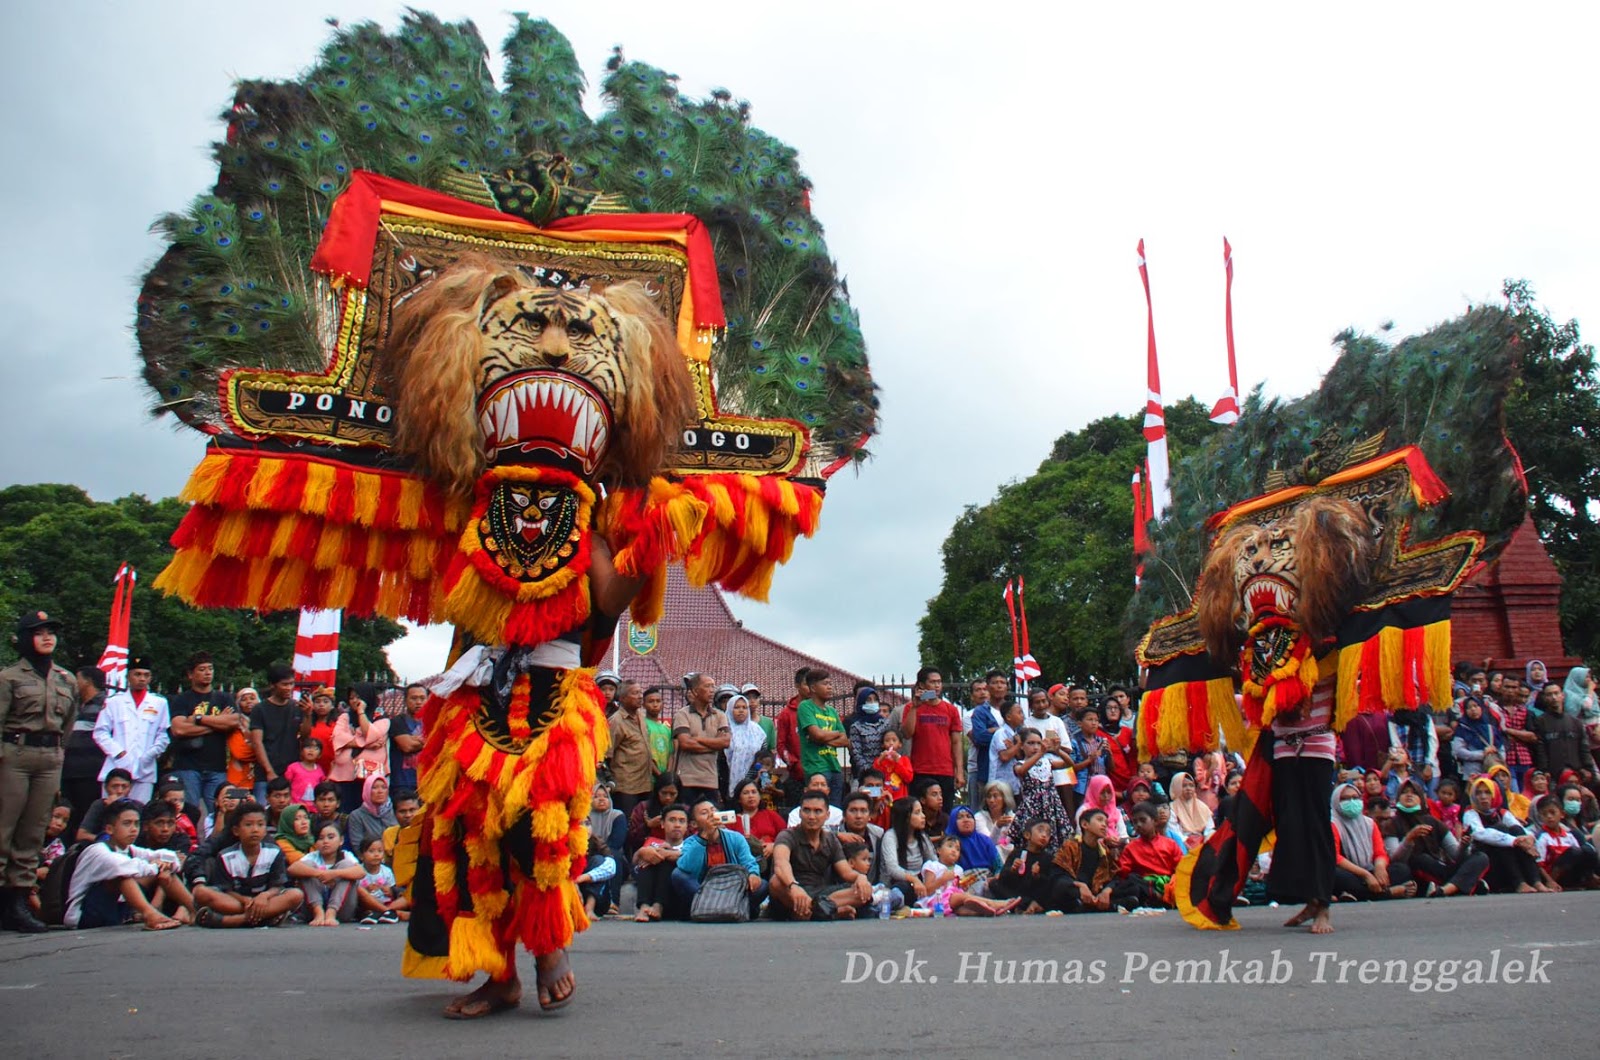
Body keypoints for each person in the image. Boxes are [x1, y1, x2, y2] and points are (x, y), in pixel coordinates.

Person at [0, 609, 80, 934]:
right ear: (24, 638)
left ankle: (17, 901)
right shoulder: (9, 677)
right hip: (14, 753)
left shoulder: (66, 679)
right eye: (39, 632)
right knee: (4, 826)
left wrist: (58, 755)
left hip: (49, 756)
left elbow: (69, 724)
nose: (47, 637)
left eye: (51, 632)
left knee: (34, 832)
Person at [63, 799, 193, 930]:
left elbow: (169, 857)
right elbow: (121, 866)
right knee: (123, 876)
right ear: (109, 829)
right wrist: (156, 866)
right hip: (82, 915)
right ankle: (151, 915)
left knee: (165, 871)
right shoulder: (97, 850)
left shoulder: (129, 848)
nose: (133, 829)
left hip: (115, 910)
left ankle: (194, 910)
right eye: (127, 824)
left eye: (136, 824)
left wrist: (164, 866)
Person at [192, 800, 305, 928]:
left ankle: (232, 921)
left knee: (296, 895)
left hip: (265, 901)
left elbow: (277, 886)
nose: (255, 830)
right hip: (237, 902)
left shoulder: (274, 852)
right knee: (201, 893)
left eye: (260, 825)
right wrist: (245, 900)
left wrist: (264, 896)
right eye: (248, 825)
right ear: (236, 830)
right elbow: (226, 889)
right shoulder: (225, 856)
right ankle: (264, 918)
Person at [769, 792, 872, 920]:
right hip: (791, 894)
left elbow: (846, 873)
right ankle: (829, 911)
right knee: (776, 882)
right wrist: (793, 886)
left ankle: (812, 913)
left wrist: (860, 878)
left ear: (827, 815)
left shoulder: (830, 839)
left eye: (817, 811)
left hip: (821, 893)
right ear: (800, 813)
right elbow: (781, 864)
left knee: (862, 891)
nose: (811, 816)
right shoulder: (787, 836)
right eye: (807, 811)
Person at [1382, 778, 1488, 896]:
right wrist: (1409, 839)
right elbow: (1394, 859)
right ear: (1398, 797)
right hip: (1416, 873)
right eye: (1404, 792)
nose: (1409, 795)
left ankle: (1446, 889)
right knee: (1421, 859)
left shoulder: (1432, 821)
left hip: (1441, 869)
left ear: (1421, 798)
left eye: (1414, 793)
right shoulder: (1392, 823)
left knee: (1481, 857)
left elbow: (1454, 854)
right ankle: (1468, 883)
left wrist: (1463, 846)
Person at [167, 652, 239, 813]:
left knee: (221, 809)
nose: (207, 673)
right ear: (190, 674)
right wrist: (217, 721)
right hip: (188, 766)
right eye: (202, 669)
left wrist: (198, 718)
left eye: (210, 669)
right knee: (190, 810)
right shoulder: (182, 699)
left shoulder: (224, 698)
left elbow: (233, 722)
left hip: (217, 766)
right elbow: (179, 729)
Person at [672, 797, 766, 919]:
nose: (712, 815)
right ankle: (732, 909)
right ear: (694, 824)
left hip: (734, 889)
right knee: (678, 875)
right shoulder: (690, 842)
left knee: (763, 885)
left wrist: (753, 874)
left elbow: (748, 861)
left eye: (713, 810)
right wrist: (704, 837)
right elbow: (686, 867)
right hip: (705, 892)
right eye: (704, 813)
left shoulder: (736, 837)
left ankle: (722, 909)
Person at [93, 655, 169, 803]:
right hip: (116, 766)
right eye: (137, 674)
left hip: (144, 768)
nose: (142, 679)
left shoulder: (159, 703)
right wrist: (119, 753)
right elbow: (100, 732)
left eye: (146, 675)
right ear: (128, 676)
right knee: (112, 812)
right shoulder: (114, 702)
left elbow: (163, 735)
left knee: (139, 812)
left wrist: (150, 754)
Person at [1462, 776, 1549, 893]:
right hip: (1486, 862)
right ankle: (1519, 882)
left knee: (1517, 830)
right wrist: (1515, 841)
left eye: (1487, 792)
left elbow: (1521, 829)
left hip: (1506, 861)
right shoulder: (1470, 813)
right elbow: (1480, 833)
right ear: (1473, 796)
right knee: (1501, 829)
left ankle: (1536, 881)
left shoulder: (1502, 813)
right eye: (1478, 793)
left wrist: (1528, 838)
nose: (1483, 796)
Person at [1330, 783, 1415, 899]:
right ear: (1336, 801)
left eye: (1355, 798)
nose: (1352, 801)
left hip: (1370, 869)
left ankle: (1361, 894)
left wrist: (1380, 868)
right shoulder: (1332, 824)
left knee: (1401, 869)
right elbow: (1336, 858)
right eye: (1345, 799)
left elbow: (1379, 852)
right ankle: (1388, 893)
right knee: (1335, 875)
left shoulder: (1369, 823)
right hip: (1350, 872)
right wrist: (1365, 875)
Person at [900, 667, 963, 811]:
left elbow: (956, 741)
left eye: (939, 682)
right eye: (932, 682)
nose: (937, 685)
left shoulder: (950, 709)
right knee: (919, 810)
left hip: (945, 770)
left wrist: (959, 771)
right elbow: (907, 733)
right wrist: (915, 708)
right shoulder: (911, 708)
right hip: (920, 769)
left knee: (944, 811)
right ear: (922, 685)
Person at [62, 666, 108, 840]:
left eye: (78, 678)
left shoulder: (106, 705)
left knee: (83, 815)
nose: (75, 683)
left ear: (88, 681)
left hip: (90, 771)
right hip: (69, 770)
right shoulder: (74, 705)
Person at [1007, 728, 1073, 849]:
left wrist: (1058, 750)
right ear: (1021, 746)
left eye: (1038, 743)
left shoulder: (1047, 762)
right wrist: (1040, 753)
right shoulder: (1019, 764)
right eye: (1030, 743)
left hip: (1052, 805)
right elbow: (1021, 771)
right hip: (1032, 807)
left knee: (1054, 837)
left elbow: (1069, 764)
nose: (1035, 747)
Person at [989, 817, 1072, 913]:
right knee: (994, 884)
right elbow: (1003, 878)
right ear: (1027, 835)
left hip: (1036, 894)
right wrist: (1012, 870)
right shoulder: (1017, 853)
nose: (1044, 835)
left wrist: (1037, 876)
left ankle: (1024, 906)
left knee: (1053, 889)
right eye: (1040, 831)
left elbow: (1049, 883)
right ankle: (1023, 905)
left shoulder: (1048, 858)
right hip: (1018, 893)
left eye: (1048, 833)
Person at [290, 821, 364, 925]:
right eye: (321, 838)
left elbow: (361, 872)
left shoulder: (346, 855)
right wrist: (319, 874)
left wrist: (334, 874)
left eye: (331, 837)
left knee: (346, 866)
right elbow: (293, 868)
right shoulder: (312, 857)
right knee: (307, 867)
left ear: (341, 840)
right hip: (311, 911)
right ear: (315, 842)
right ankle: (318, 912)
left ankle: (331, 912)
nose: (325, 841)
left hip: (342, 911)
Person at [331, 683, 389, 813]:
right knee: (345, 815)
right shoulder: (345, 717)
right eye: (351, 698)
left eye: (358, 697)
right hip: (345, 778)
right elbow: (338, 737)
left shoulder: (381, 718)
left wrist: (361, 712)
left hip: (370, 778)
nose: (354, 701)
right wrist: (365, 744)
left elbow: (370, 734)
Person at [248, 664, 303, 802]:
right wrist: (269, 771)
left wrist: (307, 715)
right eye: (284, 684)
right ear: (273, 685)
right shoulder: (260, 709)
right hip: (266, 772)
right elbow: (257, 742)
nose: (289, 688)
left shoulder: (296, 707)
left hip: (291, 771)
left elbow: (305, 735)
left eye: (291, 684)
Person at [674, 673, 730, 808]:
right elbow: (685, 743)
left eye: (713, 686)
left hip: (710, 779)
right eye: (707, 686)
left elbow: (725, 742)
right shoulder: (683, 714)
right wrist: (714, 744)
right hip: (687, 779)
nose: (712, 690)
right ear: (695, 690)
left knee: (710, 818)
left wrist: (697, 739)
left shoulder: (720, 716)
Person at [1113, 802, 1183, 910]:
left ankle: (1159, 897)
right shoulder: (1131, 848)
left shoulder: (1170, 844)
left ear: (1155, 821)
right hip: (1143, 885)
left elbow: (1181, 869)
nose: (1138, 825)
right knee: (1131, 879)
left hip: (1167, 886)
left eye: (1143, 820)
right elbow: (1122, 873)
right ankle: (1154, 896)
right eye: (1135, 822)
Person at [631, 802, 689, 922]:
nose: (677, 825)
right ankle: (644, 906)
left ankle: (658, 905)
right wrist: (642, 852)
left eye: (682, 821)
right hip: (652, 891)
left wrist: (667, 854)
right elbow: (635, 863)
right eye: (672, 820)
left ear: (687, 825)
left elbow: (692, 858)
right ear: (662, 824)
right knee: (649, 856)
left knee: (665, 858)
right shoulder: (653, 842)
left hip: (677, 898)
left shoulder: (692, 844)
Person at [606, 680, 656, 817]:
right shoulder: (616, 721)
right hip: (626, 788)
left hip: (645, 784)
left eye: (640, 692)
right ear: (622, 698)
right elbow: (606, 755)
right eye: (635, 693)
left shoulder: (641, 716)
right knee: (628, 825)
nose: (640, 696)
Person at [878, 796, 938, 906]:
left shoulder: (922, 837)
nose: (923, 816)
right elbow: (893, 869)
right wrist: (914, 880)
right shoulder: (891, 836)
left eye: (922, 812)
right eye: (917, 813)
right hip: (896, 884)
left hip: (920, 883)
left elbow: (934, 862)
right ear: (905, 818)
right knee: (902, 888)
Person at [1530, 681, 1598, 778]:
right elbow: (1540, 749)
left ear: (1563, 695)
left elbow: (1584, 748)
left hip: (1576, 774)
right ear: (1544, 698)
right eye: (1549, 694)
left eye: (1556, 693)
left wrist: (1588, 768)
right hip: (1552, 774)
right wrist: (1544, 769)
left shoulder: (1575, 722)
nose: (1554, 697)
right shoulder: (1540, 722)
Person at [1533, 794, 1599, 889]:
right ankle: (1561, 883)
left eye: (1552, 812)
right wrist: (1550, 881)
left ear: (1562, 814)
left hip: (1571, 872)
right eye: (1544, 814)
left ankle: (1590, 879)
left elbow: (1581, 855)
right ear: (1540, 817)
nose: (1549, 817)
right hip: (1555, 876)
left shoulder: (1569, 836)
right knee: (1573, 852)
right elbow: (1539, 864)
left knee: (1588, 850)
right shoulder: (1542, 837)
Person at [727, 778, 786, 872]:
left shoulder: (770, 815)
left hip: (772, 861)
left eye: (754, 792)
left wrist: (774, 845)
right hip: (743, 864)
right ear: (739, 799)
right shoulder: (732, 821)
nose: (751, 796)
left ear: (759, 796)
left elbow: (786, 836)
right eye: (746, 793)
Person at [626, 772, 681, 859]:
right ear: (657, 791)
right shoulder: (644, 807)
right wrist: (648, 826)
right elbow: (631, 838)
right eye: (664, 793)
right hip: (646, 853)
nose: (668, 797)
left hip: (675, 855)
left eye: (672, 794)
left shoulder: (684, 811)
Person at [355, 836, 409, 923]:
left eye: (380, 851)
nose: (376, 854)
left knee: (407, 896)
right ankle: (392, 914)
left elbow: (394, 889)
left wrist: (390, 891)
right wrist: (367, 889)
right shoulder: (358, 870)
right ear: (361, 856)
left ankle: (386, 912)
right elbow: (357, 893)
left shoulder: (386, 871)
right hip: (368, 904)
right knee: (363, 902)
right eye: (371, 851)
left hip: (387, 902)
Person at [723, 691, 766, 800]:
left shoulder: (757, 731)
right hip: (726, 779)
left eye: (744, 707)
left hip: (752, 779)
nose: (741, 710)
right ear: (730, 709)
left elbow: (763, 755)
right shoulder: (724, 729)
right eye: (736, 707)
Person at [845, 685, 891, 784]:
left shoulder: (886, 723)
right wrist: (869, 770)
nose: (872, 703)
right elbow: (857, 753)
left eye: (875, 700)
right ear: (862, 703)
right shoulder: (856, 727)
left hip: (886, 771)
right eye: (869, 700)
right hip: (866, 773)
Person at [834, 791, 885, 880]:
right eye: (853, 810)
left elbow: (884, 869)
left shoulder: (878, 834)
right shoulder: (834, 833)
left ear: (870, 815)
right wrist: (836, 835)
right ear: (844, 815)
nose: (858, 816)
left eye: (863, 811)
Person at [345, 774, 397, 860]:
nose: (380, 791)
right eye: (374, 787)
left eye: (384, 787)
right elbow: (357, 846)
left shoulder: (395, 810)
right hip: (370, 862)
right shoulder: (357, 815)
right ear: (367, 790)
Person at [388, 683, 427, 794]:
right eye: (414, 698)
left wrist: (416, 739)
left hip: (426, 782)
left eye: (422, 698)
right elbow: (407, 746)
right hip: (402, 782)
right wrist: (429, 741)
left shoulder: (433, 722)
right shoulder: (397, 721)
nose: (418, 702)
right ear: (405, 700)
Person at [1452, 697, 1502, 775]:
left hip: (1493, 769)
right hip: (1473, 771)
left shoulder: (1490, 727)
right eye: (1469, 707)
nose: (1473, 709)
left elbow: (1501, 748)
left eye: (1476, 706)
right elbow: (1458, 751)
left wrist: (1495, 753)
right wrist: (1481, 754)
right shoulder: (1462, 729)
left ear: (1481, 708)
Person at [947, 805, 1002, 874]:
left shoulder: (985, 841)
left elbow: (999, 867)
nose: (966, 820)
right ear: (953, 822)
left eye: (969, 816)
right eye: (960, 817)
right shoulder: (948, 844)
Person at [297, 686, 338, 777]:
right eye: (317, 702)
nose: (321, 705)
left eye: (325, 701)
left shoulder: (338, 725)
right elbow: (303, 738)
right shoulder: (307, 723)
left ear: (332, 706)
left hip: (332, 770)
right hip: (309, 769)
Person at [575, 835, 617, 919]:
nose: (585, 827)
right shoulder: (564, 841)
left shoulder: (596, 841)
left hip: (598, 901)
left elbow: (610, 867)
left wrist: (580, 879)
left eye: (587, 824)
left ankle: (589, 908)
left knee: (598, 860)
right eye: (580, 824)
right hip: (572, 896)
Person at [1168, 772, 1214, 849]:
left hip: (1202, 841)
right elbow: (1174, 831)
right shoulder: (1172, 807)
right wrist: (1188, 842)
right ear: (1176, 787)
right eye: (1184, 786)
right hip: (1182, 843)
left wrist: (1205, 838)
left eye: (1191, 785)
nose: (1188, 788)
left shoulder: (1202, 806)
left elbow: (1209, 827)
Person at [1076, 774, 1128, 841]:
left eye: (1109, 792)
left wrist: (1118, 841)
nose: (1106, 796)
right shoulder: (1084, 811)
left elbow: (1124, 836)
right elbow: (1080, 835)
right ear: (1094, 791)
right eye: (1102, 792)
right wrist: (1105, 841)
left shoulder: (1115, 811)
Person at [872, 729, 915, 809]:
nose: (891, 743)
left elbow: (908, 778)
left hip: (900, 799)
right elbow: (874, 776)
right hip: (883, 799)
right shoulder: (880, 760)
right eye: (887, 740)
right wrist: (880, 760)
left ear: (900, 744)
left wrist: (897, 762)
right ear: (883, 744)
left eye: (894, 740)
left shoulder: (904, 760)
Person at [283, 736, 328, 811]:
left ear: (320, 754)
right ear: (301, 752)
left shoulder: (319, 770)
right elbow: (286, 786)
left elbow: (323, 786)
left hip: (313, 809)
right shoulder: (293, 767)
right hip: (295, 807)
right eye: (308, 747)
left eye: (315, 748)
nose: (311, 750)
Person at [975, 781, 1016, 858]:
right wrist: (997, 826)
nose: (991, 800)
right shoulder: (979, 817)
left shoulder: (1012, 817)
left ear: (1005, 798)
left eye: (995, 796)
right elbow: (988, 844)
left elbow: (1009, 844)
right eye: (988, 797)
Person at [642, 687, 674, 776]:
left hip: (664, 778)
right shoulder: (642, 725)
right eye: (651, 701)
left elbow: (671, 754)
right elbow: (644, 754)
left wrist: (667, 774)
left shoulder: (667, 729)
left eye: (658, 701)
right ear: (643, 705)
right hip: (648, 777)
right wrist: (658, 774)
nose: (655, 704)